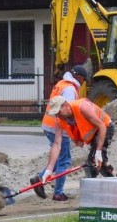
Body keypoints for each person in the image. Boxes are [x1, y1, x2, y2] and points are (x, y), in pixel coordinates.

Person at [36, 65, 88, 201]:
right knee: (63, 161)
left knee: (60, 159)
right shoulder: (70, 89)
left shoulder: (62, 83)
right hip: (57, 127)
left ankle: (40, 178)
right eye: (83, 80)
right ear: (79, 77)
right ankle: (58, 193)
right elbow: (69, 113)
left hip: (48, 124)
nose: (83, 83)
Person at [42, 96, 116, 182]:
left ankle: (94, 186)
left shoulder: (82, 107)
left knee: (92, 162)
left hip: (105, 127)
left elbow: (102, 126)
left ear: (65, 105)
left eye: (58, 112)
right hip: (94, 134)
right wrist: (49, 170)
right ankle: (115, 181)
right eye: (55, 113)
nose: (57, 115)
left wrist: (98, 151)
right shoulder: (59, 120)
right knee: (99, 162)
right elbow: (57, 144)